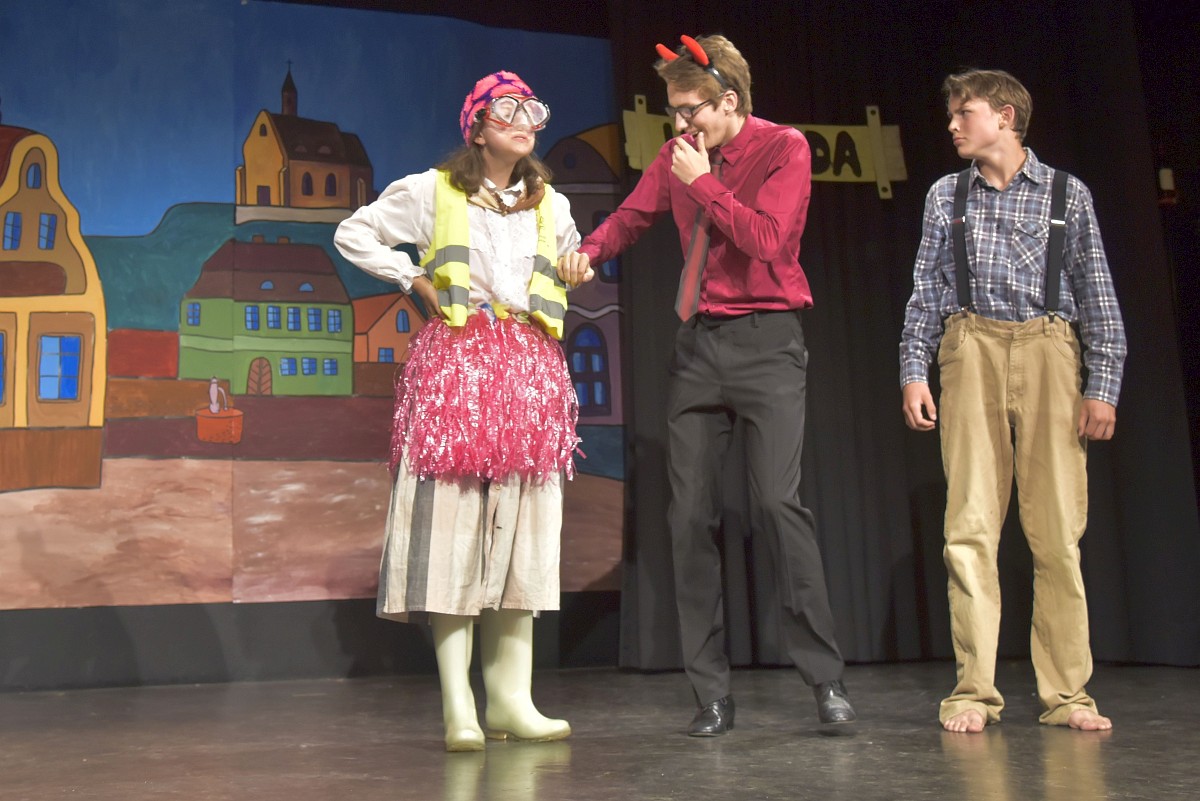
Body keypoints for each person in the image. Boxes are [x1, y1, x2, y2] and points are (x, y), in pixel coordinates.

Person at [558, 34, 855, 735]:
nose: (679, 123)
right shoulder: (678, 156)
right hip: (698, 347)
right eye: (673, 111)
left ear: (729, 100)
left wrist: (703, 184)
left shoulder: (783, 148)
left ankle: (826, 680)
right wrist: (589, 253)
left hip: (768, 342)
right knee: (689, 516)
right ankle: (711, 693)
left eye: (690, 109)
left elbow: (768, 241)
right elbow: (633, 216)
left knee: (778, 502)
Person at [334, 71, 580, 752]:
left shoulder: (550, 204)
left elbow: (566, 260)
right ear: (476, 125)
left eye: (532, 110)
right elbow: (354, 232)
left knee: (523, 529)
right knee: (453, 526)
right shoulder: (432, 191)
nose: (524, 121)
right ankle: (459, 705)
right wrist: (411, 277)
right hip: (459, 368)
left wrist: (577, 267)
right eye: (508, 109)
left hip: (528, 370)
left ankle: (512, 698)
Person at [899, 69, 1125, 734]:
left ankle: (1068, 695)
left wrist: (1102, 386)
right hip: (970, 348)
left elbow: (1098, 292)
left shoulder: (1066, 193)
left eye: (963, 112)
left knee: (1057, 531)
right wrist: (913, 369)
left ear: (1004, 116)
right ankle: (973, 690)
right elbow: (925, 290)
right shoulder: (946, 195)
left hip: (1051, 348)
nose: (952, 124)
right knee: (969, 528)